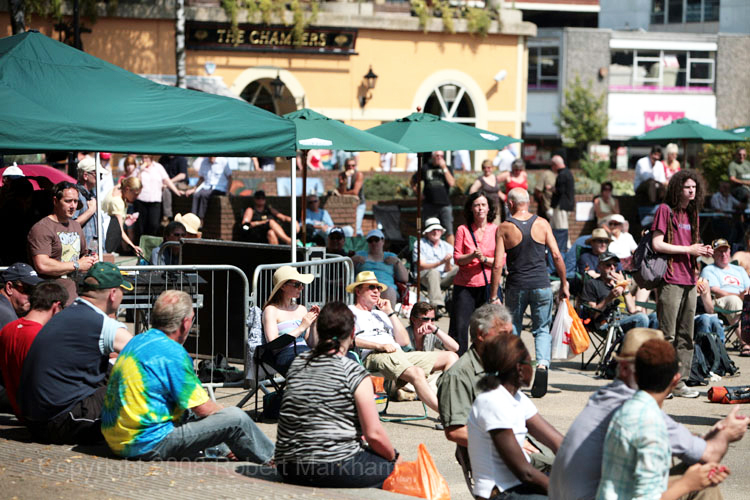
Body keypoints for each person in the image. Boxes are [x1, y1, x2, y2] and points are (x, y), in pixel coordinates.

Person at [550, 328, 747, 500]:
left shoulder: (608, 398)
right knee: (702, 478)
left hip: (581, 492)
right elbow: (708, 454)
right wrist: (726, 433)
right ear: (674, 379)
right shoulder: (644, 417)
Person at [101, 290, 273, 463]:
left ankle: (229, 450)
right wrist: (224, 414)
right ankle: (278, 460)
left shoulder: (137, 340)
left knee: (189, 411)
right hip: (147, 444)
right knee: (236, 418)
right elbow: (203, 408)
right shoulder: (172, 352)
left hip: (117, 439)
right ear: (185, 323)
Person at [275, 301, 398, 488]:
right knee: (396, 467)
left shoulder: (298, 363)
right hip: (332, 466)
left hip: (288, 467)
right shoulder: (354, 372)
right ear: (352, 332)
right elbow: (373, 434)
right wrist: (394, 457)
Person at [596, 339, 729, 500]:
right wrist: (688, 483)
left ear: (634, 375)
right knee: (704, 484)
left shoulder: (627, 407)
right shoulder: (651, 425)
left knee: (702, 476)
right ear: (675, 380)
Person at [19, 262, 134, 444]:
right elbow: (145, 354)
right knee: (134, 388)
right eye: (122, 292)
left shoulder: (68, 314)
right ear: (113, 294)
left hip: (34, 420)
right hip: (59, 422)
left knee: (113, 370)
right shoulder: (100, 323)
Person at [491, 188, 569, 398]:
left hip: (516, 285)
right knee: (541, 329)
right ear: (528, 203)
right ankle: (542, 365)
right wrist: (564, 282)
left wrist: (493, 294)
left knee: (514, 327)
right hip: (542, 284)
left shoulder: (504, 228)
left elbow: (498, 264)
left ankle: (515, 368)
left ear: (510, 204)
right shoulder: (542, 223)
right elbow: (556, 255)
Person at [467, 334, 563, 499]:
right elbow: (525, 472)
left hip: (518, 486)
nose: (533, 369)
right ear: (519, 368)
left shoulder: (518, 398)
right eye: (531, 363)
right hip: (501, 493)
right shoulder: (492, 402)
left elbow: (556, 441)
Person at [348, 271, 454, 413]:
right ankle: (447, 415)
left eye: (378, 288)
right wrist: (379, 346)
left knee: (451, 357)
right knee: (416, 373)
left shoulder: (381, 314)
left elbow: (403, 341)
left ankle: (449, 404)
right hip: (375, 354)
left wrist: (390, 313)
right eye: (371, 287)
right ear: (358, 290)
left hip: (398, 353)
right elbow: (347, 339)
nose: (376, 291)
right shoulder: (350, 312)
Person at [651, 170, 712, 398]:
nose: (692, 191)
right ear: (678, 188)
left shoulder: (692, 213)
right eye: (687, 187)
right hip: (670, 279)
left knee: (687, 334)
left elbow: (691, 245)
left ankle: (680, 381)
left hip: (689, 279)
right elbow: (657, 244)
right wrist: (689, 249)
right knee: (668, 334)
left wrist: (702, 250)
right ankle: (662, 382)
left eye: (694, 187)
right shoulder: (665, 211)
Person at [438, 303, 515, 450]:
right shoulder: (458, 376)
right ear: (480, 334)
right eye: (503, 335)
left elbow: (531, 418)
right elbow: (455, 432)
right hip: (497, 455)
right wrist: (513, 444)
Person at [0, 281, 68, 418]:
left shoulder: (7, 329)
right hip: (42, 414)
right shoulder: (44, 336)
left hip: (19, 407)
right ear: (57, 306)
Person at [27, 181, 98, 301]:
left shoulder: (75, 226)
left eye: (75, 201)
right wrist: (77, 265)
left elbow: (83, 254)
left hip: (73, 291)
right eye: (68, 201)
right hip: (50, 295)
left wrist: (91, 259)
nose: (73, 206)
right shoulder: (42, 228)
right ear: (55, 201)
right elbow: (42, 265)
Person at [449, 192, 498, 356]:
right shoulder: (462, 230)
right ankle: (458, 362)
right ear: (471, 208)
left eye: (483, 205)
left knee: (487, 328)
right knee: (460, 328)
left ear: (489, 207)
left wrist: (483, 258)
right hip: (465, 286)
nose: (480, 208)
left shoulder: (496, 230)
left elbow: (501, 260)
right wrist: (472, 256)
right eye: (476, 205)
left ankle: (485, 360)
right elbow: (457, 258)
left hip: (488, 285)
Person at [262, 266, 318, 375]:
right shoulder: (271, 310)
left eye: (301, 284)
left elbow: (311, 343)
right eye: (297, 284)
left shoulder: (301, 309)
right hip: (286, 354)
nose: (301, 288)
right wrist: (301, 327)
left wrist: (313, 324)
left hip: (306, 352)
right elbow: (274, 344)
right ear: (283, 286)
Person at [700, 238, 750, 355]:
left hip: (743, 298)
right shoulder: (709, 270)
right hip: (721, 301)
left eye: (725, 251)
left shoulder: (739, 269)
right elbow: (716, 291)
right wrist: (739, 295)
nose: (723, 254)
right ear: (713, 254)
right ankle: (745, 343)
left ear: (729, 252)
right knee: (734, 300)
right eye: (719, 251)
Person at [579, 252, 650, 333]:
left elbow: (632, 309)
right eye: (608, 265)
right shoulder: (592, 283)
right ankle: (634, 344)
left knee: (655, 318)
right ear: (599, 267)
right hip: (608, 322)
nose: (612, 267)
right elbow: (593, 314)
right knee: (641, 318)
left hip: (625, 318)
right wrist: (609, 298)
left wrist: (625, 287)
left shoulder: (619, 283)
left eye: (615, 265)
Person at [352, 229, 408, 306]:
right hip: (365, 287)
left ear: (383, 241)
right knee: (366, 292)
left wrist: (398, 262)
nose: (373, 243)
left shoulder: (391, 257)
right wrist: (352, 261)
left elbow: (404, 278)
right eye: (370, 241)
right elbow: (346, 275)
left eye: (376, 240)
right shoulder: (359, 255)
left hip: (386, 289)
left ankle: (389, 316)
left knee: (390, 291)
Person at [133, 154, 184, 237]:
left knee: (154, 225)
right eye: (143, 158)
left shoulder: (158, 167)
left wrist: (176, 191)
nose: (144, 160)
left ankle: (151, 244)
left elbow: (167, 180)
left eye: (146, 158)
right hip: (141, 200)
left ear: (151, 158)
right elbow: (136, 184)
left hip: (155, 200)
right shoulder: (138, 169)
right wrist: (140, 172)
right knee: (141, 227)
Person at [411, 151, 456, 246]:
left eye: (441, 156)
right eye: (437, 156)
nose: (439, 157)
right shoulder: (426, 167)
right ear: (432, 157)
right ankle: (429, 251)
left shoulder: (447, 167)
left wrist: (444, 168)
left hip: (445, 204)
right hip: (430, 204)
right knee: (429, 229)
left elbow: (452, 183)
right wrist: (418, 193)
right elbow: (413, 181)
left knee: (449, 230)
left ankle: (451, 255)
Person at [414, 217, 457, 310]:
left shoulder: (448, 246)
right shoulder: (420, 244)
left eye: (438, 230)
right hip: (425, 277)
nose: (436, 232)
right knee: (433, 272)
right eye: (433, 230)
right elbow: (422, 265)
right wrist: (440, 262)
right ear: (427, 232)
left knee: (460, 269)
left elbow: (448, 269)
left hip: (444, 277)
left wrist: (447, 262)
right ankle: (436, 305)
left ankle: (457, 301)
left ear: (441, 232)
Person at [101, 176, 143, 255]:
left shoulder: (118, 187)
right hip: (106, 238)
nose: (137, 197)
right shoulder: (118, 202)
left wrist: (124, 216)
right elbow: (120, 230)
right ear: (127, 189)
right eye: (135, 194)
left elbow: (111, 213)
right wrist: (133, 246)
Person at [186, 157, 232, 226]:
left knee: (204, 194)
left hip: (220, 188)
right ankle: (193, 218)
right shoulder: (204, 161)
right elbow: (201, 178)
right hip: (206, 187)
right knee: (196, 195)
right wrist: (194, 189)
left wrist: (228, 191)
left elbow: (230, 178)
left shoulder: (223, 161)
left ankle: (201, 219)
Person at [0, 263, 42, 328]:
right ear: (9, 288)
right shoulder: (6, 314)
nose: (33, 296)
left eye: (35, 290)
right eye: (29, 289)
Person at [73, 156, 100, 250]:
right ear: (85, 175)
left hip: (96, 251)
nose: (101, 178)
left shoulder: (94, 195)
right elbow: (71, 225)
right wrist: (90, 211)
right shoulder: (75, 195)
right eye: (98, 175)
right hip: (82, 252)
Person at [550, 155, 575, 252]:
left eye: (552, 165)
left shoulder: (562, 175)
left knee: (561, 228)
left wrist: (551, 188)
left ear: (555, 165)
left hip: (561, 205)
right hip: (567, 205)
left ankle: (564, 247)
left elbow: (560, 190)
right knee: (563, 226)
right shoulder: (568, 173)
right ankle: (565, 246)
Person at [336, 158, 366, 236]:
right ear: (345, 166)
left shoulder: (358, 175)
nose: (351, 168)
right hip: (347, 205)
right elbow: (341, 190)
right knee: (348, 227)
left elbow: (355, 192)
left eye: (353, 165)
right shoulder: (342, 175)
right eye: (348, 166)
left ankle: (360, 245)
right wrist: (345, 178)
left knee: (357, 227)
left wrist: (343, 194)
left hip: (359, 204)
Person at [158, 155, 188, 221]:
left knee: (166, 190)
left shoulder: (181, 159)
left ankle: (167, 216)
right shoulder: (163, 159)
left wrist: (169, 182)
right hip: (166, 183)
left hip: (180, 183)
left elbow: (182, 176)